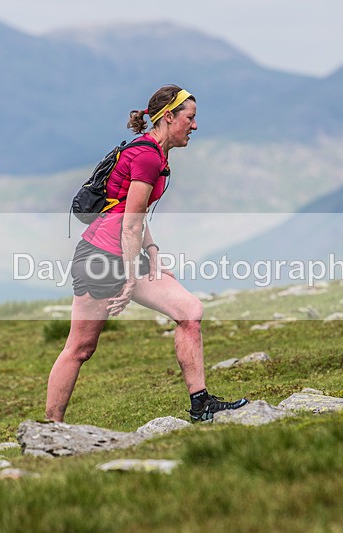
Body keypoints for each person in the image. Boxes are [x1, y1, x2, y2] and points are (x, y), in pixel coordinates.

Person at [45, 85, 249, 423]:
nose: (195, 126)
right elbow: (128, 225)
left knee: (189, 310)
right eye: (190, 118)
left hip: (125, 254)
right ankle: (51, 428)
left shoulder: (156, 154)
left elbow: (133, 216)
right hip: (99, 259)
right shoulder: (147, 156)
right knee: (80, 348)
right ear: (169, 117)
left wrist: (153, 256)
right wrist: (129, 277)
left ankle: (201, 405)